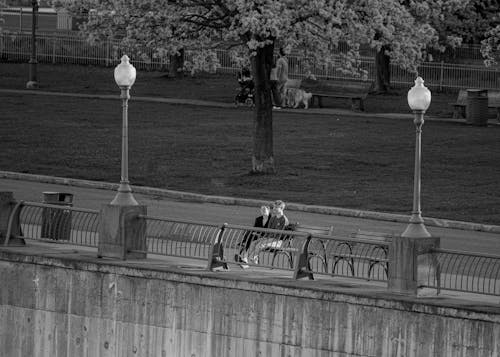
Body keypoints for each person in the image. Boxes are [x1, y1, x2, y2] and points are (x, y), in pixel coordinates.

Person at [248, 200, 289, 264]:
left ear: (281, 208)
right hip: (270, 238)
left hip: (279, 241)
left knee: (260, 244)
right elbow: (269, 230)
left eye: (276, 207)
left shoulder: (284, 219)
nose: (274, 209)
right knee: (254, 243)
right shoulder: (273, 218)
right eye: (273, 207)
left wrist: (268, 238)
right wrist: (264, 237)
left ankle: (253, 259)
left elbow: (280, 234)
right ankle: (247, 258)